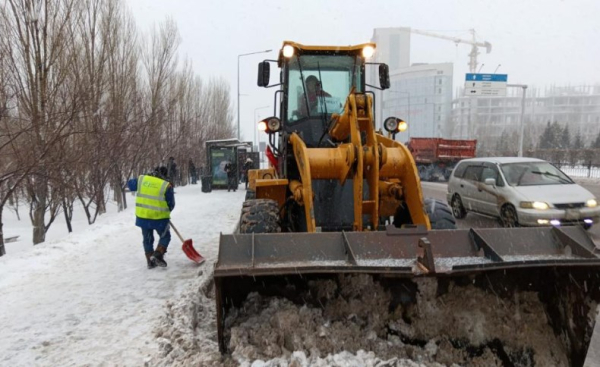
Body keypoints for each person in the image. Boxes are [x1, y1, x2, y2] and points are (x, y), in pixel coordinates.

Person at [127, 166, 175, 269]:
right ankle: (158, 254)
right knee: (165, 236)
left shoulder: (142, 180)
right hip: (159, 218)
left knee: (147, 239)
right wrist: (166, 212)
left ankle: (150, 261)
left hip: (143, 217)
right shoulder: (166, 185)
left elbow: (130, 185)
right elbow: (171, 204)